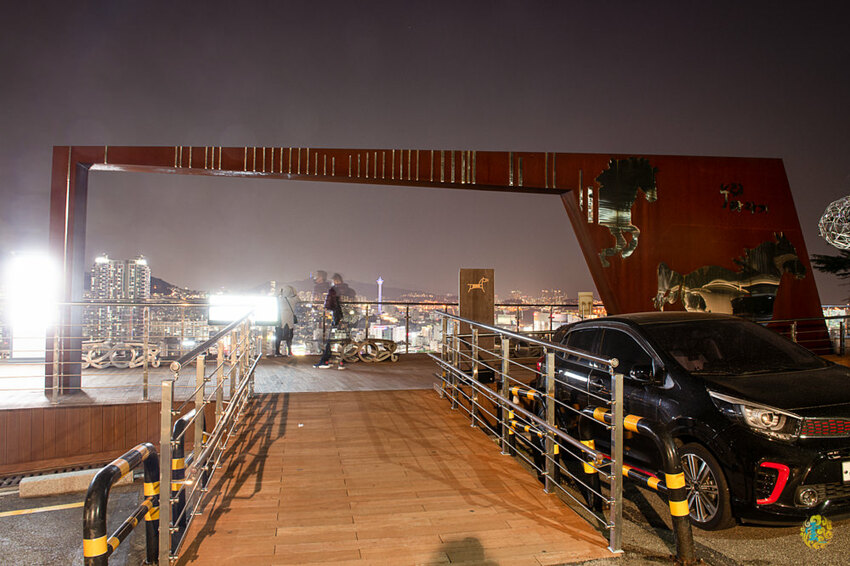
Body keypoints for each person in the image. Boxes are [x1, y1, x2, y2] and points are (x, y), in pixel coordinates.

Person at [314, 274, 356, 369]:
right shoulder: (349, 291)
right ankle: (342, 362)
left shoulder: (333, 290)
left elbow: (328, 305)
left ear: (335, 281)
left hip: (337, 317)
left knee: (331, 340)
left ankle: (325, 361)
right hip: (348, 318)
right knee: (343, 340)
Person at [272, 285, 299, 357]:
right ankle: (289, 351)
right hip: (289, 320)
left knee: (278, 336)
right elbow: (297, 297)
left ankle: (277, 352)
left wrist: (280, 291)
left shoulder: (280, 300)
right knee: (289, 337)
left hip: (280, 320)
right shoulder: (293, 300)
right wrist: (293, 290)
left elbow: (274, 297)